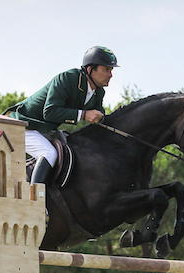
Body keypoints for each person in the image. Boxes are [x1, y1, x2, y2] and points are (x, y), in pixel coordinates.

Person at [9, 46, 119, 185]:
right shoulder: (67, 79)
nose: (110, 75)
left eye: (111, 70)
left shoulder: (98, 92)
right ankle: (34, 200)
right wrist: (84, 115)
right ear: (90, 70)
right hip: (22, 125)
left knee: (75, 152)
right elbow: (50, 112)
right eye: (106, 70)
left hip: (44, 130)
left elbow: (98, 115)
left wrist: (115, 117)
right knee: (48, 153)